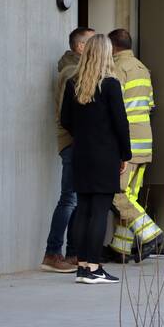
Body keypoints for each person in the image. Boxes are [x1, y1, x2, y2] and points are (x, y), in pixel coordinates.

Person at [60, 33, 131, 285]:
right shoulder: (110, 84)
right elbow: (121, 123)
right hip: (105, 155)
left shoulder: (74, 83)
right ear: (106, 54)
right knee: (99, 211)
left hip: (80, 153)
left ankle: (81, 266)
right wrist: (125, 154)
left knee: (83, 210)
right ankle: (94, 267)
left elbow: (65, 120)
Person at [106, 28, 164, 261]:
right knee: (131, 195)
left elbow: (115, 108)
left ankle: (150, 233)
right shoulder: (142, 68)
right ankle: (120, 248)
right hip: (144, 140)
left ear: (111, 48)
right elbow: (150, 105)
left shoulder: (117, 69)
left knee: (116, 193)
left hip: (126, 141)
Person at [42, 26, 94, 274]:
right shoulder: (72, 72)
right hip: (73, 142)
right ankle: (53, 253)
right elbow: (69, 114)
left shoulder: (76, 69)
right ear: (81, 47)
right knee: (70, 199)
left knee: (76, 199)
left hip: (77, 141)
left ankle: (72, 253)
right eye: (93, 42)